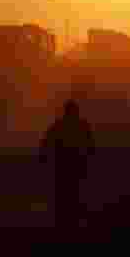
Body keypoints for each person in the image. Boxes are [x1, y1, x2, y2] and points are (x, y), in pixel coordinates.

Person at [39, 98, 96, 230]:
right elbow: (91, 146)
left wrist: (44, 159)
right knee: (72, 195)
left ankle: (65, 223)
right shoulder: (81, 126)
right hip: (72, 166)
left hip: (65, 167)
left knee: (65, 196)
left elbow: (46, 143)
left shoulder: (59, 126)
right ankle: (70, 223)